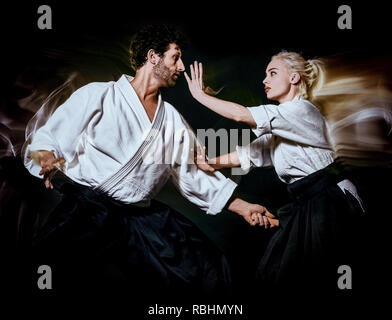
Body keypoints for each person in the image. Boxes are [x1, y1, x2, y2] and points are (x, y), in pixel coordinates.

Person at [21, 24, 276, 299]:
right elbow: (51, 136)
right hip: (88, 208)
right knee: (53, 272)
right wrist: (46, 156)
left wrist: (243, 207)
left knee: (206, 267)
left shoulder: (173, 120)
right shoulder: (101, 94)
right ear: (153, 56)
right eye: (175, 58)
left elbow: (192, 175)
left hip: (139, 216)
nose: (180, 67)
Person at [185, 51, 366, 294]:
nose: (264, 80)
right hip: (308, 204)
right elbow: (252, 154)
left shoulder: (303, 111)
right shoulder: (285, 124)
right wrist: (211, 164)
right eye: (265, 75)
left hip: (331, 202)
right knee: (277, 274)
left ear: (294, 78)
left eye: (272, 73)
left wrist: (199, 96)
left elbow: (241, 115)